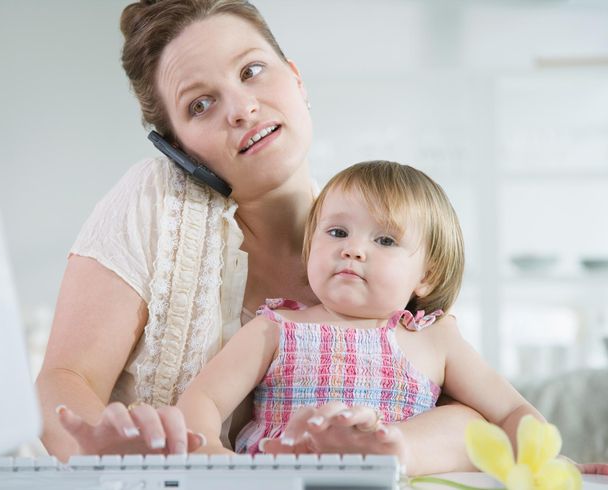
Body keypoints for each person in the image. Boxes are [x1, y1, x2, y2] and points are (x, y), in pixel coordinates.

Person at [35, 0, 482, 473]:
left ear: (297, 79)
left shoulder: (377, 240)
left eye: (251, 70)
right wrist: (112, 466)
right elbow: (64, 380)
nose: (242, 109)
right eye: (200, 104)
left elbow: (471, 413)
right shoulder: (155, 200)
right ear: (179, 151)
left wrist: (383, 452)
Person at [176, 161, 544, 473]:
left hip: (398, 474)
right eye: (337, 232)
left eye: (385, 240)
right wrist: (208, 452)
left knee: (467, 423)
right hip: (290, 470)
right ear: (310, 249)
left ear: (426, 275)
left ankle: (389, 451)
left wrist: (548, 464)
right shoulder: (277, 328)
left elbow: (510, 410)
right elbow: (204, 398)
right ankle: (342, 453)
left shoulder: (435, 338)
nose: (352, 249)